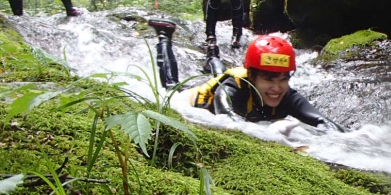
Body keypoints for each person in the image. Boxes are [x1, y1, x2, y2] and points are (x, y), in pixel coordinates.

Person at [146, 21, 342, 130]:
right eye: (269, 79)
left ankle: (212, 55)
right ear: (252, 76)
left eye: (283, 79)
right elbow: (226, 118)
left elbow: (323, 122)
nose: (277, 88)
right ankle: (164, 37)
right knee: (171, 87)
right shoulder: (232, 88)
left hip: (231, 80)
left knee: (223, 73)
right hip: (192, 99)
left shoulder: (287, 95)